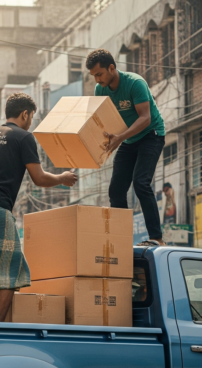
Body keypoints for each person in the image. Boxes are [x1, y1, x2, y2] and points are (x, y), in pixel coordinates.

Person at [0, 93, 77, 322]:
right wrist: (62, 177)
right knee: (12, 272)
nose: (30, 121)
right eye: (31, 116)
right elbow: (39, 178)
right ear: (25, 113)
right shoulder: (24, 137)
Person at [87, 48, 167, 246]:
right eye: (93, 76)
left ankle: (156, 238)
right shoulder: (100, 90)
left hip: (151, 135)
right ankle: (120, 240)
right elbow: (103, 121)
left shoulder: (135, 83)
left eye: (99, 74)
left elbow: (145, 118)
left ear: (112, 68)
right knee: (116, 190)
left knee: (141, 183)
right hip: (128, 140)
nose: (97, 80)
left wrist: (120, 137)